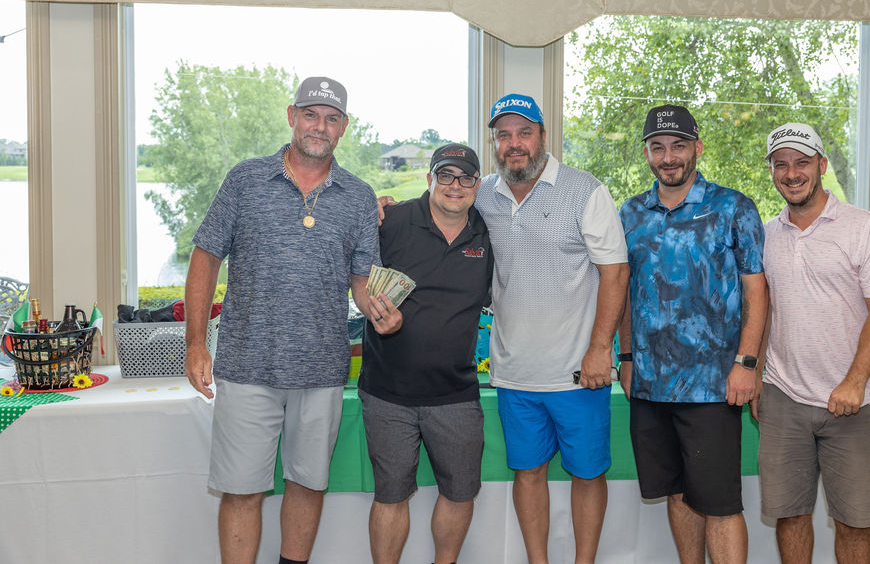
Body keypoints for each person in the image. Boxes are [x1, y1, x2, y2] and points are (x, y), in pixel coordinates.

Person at [184, 76, 401, 564]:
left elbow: (361, 280)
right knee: (241, 490)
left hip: (321, 370)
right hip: (246, 366)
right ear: (291, 116)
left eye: (331, 118)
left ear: (344, 127)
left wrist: (379, 312)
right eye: (310, 115)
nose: (319, 126)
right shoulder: (245, 180)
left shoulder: (359, 196)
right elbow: (205, 257)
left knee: (307, 485)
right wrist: (196, 343)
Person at [475, 93, 629, 564]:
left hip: (577, 374)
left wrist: (600, 349)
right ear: (494, 143)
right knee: (527, 473)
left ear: (543, 136)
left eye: (524, 133)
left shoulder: (585, 190)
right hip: (513, 373)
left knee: (588, 474)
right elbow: (438, 210)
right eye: (504, 135)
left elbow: (615, 273)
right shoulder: (482, 194)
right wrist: (385, 206)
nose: (514, 143)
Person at [616, 105, 769, 564]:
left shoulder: (733, 208)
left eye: (678, 146)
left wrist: (747, 363)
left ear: (697, 148)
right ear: (647, 153)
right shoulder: (630, 213)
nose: (669, 157)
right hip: (649, 383)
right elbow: (625, 291)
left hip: (713, 385)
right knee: (677, 492)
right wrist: (626, 358)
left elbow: (757, 292)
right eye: (658, 147)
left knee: (720, 504)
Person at [755, 122, 870, 564]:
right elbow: (764, 311)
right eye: (781, 164)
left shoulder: (864, 228)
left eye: (802, 162)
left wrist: (854, 382)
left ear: (822, 165)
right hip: (783, 396)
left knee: (854, 520)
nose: (791, 173)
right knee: (790, 515)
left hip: (850, 402)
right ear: (772, 171)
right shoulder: (766, 234)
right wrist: (756, 375)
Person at [358, 143, 493, 564]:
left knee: (460, 492)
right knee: (390, 495)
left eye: (466, 177)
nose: (455, 185)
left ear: (477, 185)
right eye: (446, 175)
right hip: (387, 393)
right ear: (430, 178)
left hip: (456, 392)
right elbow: (355, 271)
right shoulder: (391, 221)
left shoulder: (489, 233)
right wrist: (367, 208)